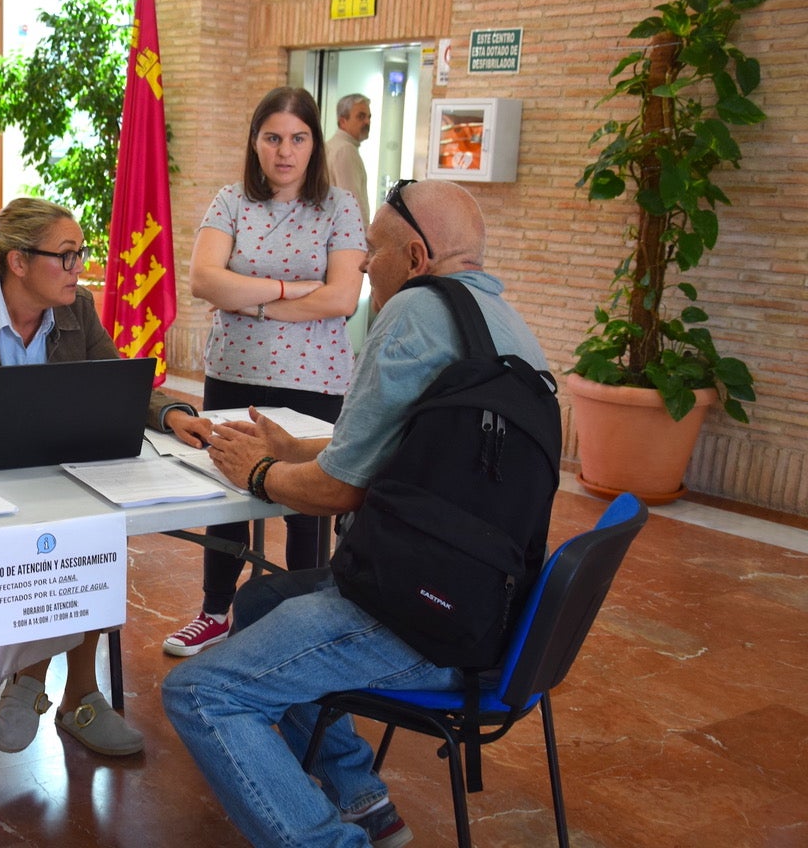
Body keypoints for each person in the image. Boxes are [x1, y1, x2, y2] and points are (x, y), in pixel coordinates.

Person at [160, 180, 551, 847]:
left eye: (373, 249)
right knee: (260, 604)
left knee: (200, 693)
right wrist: (299, 447)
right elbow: (415, 447)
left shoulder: (413, 313)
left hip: (416, 621)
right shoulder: (509, 327)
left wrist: (256, 471)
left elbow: (338, 490)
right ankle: (364, 800)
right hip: (490, 611)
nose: (364, 263)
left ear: (417, 256)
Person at [0, 197, 210, 758]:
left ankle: (70, 694)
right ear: (19, 263)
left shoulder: (79, 311)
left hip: (54, 470)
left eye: (81, 255)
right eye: (67, 257)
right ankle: (39, 683)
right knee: (51, 542)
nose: (80, 269)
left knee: (98, 528)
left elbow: (120, 382)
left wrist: (172, 413)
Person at [161, 86, 366, 658]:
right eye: (272, 137)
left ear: (314, 144)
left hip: (317, 378)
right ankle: (213, 613)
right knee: (228, 489)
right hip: (236, 371)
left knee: (305, 498)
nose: (284, 151)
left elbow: (343, 297)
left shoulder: (340, 207)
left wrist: (249, 300)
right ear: (255, 142)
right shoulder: (230, 201)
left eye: (298, 138)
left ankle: (299, 624)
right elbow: (204, 281)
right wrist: (291, 290)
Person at [326, 93, 372, 219]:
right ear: (342, 122)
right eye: (361, 116)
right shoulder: (345, 150)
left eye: (369, 117)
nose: (367, 122)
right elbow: (353, 204)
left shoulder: (333, 146)